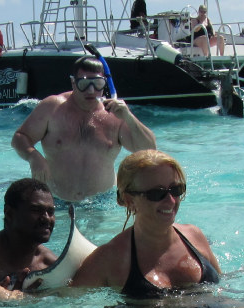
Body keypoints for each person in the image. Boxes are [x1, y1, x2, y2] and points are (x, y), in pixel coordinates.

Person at [71, 149, 244, 298]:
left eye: (176, 190)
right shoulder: (109, 259)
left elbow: (224, 285)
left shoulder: (193, 236)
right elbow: (64, 302)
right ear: (129, 200)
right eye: (156, 193)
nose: (170, 200)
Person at [11, 55, 156, 203]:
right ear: (73, 82)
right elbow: (20, 137)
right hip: (55, 201)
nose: (91, 90)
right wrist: (33, 156)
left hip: (103, 203)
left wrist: (129, 116)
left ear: (104, 83)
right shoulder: (52, 108)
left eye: (97, 83)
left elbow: (149, 149)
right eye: (84, 83)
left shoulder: (116, 114)